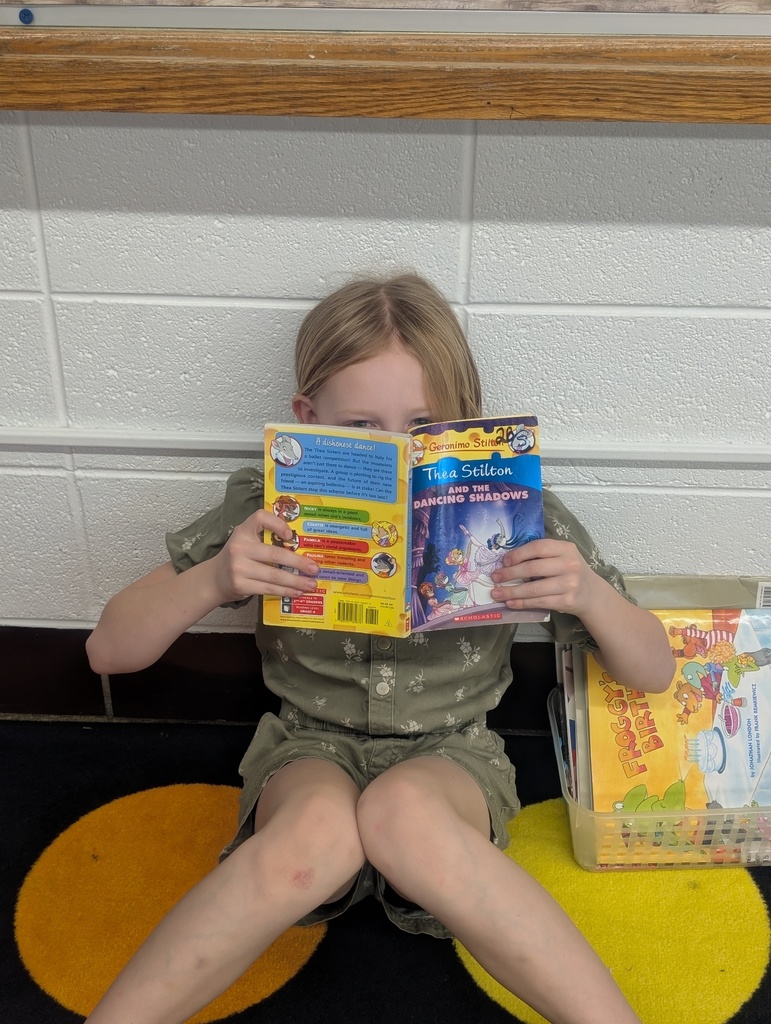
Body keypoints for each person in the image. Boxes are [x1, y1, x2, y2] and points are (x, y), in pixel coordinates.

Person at [84, 273, 675, 1024]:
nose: (394, 448)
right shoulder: (266, 506)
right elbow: (109, 650)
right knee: (314, 841)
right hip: (307, 750)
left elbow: (653, 670)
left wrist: (587, 592)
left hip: (448, 760)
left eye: (423, 425)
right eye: (361, 429)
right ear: (307, 418)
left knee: (403, 816)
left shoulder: (519, 514)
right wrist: (213, 578)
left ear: (463, 427)